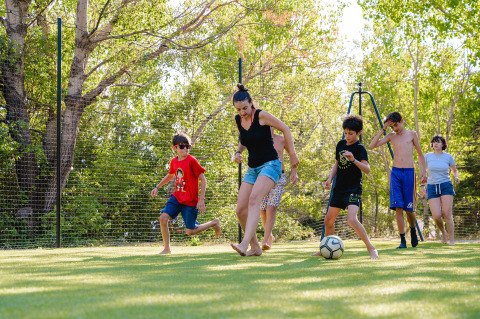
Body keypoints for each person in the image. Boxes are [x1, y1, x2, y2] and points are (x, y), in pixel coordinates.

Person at [231, 83, 300, 256]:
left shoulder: (261, 116)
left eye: (245, 108)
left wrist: (292, 155)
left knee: (254, 199)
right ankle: (255, 248)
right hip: (252, 168)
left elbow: (285, 128)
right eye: (239, 110)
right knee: (240, 210)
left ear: (251, 102)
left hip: (271, 164)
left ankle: (244, 243)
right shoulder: (238, 120)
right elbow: (243, 139)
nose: (242, 112)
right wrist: (238, 152)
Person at [311, 115, 378, 259]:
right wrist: (329, 179)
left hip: (353, 189)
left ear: (359, 133)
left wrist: (353, 159)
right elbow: (336, 164)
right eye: (345, 133)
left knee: (351, 219)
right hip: (339, 189)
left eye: (351, 133)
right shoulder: (340, 145)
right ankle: (325, 248)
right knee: (328, 220)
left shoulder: (360, 148)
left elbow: (367, 169)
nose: (347, 136)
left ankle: (371, 248)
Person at [151, 132, 221, 254]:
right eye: (182, 146)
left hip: (190, 201)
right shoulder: (174, 161)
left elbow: (203, 179)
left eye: (187, 146)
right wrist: (157, 186)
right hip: (177, 197)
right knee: (163, 218)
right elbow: (170, 175)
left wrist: (201, 200)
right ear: (175, 148)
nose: (185, 149)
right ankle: (167, 249)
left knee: (190, 231)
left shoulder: (192, 161)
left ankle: (214, 223)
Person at [369, 112, 427, 249]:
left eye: (396, 125)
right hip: (396, 173)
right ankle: (402, 240)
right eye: (392, 127)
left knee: (409, 210)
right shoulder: (390, 136)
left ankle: (412, 230)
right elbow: (372, 145)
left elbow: (420, 154)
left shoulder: (412, 134)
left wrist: (423, 172)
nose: (394, 128)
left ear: (402, 120)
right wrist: (383, 129)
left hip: (409, 173)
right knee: (398, 208)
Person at [259, 128, 298, 251]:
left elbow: (292, 155)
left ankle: (266, 239)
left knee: (271, 208)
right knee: (262, 209)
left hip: (279, 176)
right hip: (263, 177)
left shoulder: (281, 139)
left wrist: (294, 172)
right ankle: (269, 234)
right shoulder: (260, 140)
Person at [421, 135, 459, 245]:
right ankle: (444, 232)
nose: (435, 144)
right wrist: (422, 186)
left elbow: (454, 171)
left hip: (445, 185)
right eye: (433, 142)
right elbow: (424, 173)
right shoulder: (428, 156)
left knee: (447, 213)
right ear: (432, 144)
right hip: (432, 186)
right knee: (437, 215)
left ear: (443, 144)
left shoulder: (448, 157)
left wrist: (456, 176)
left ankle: (451, 239)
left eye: (438, 142)